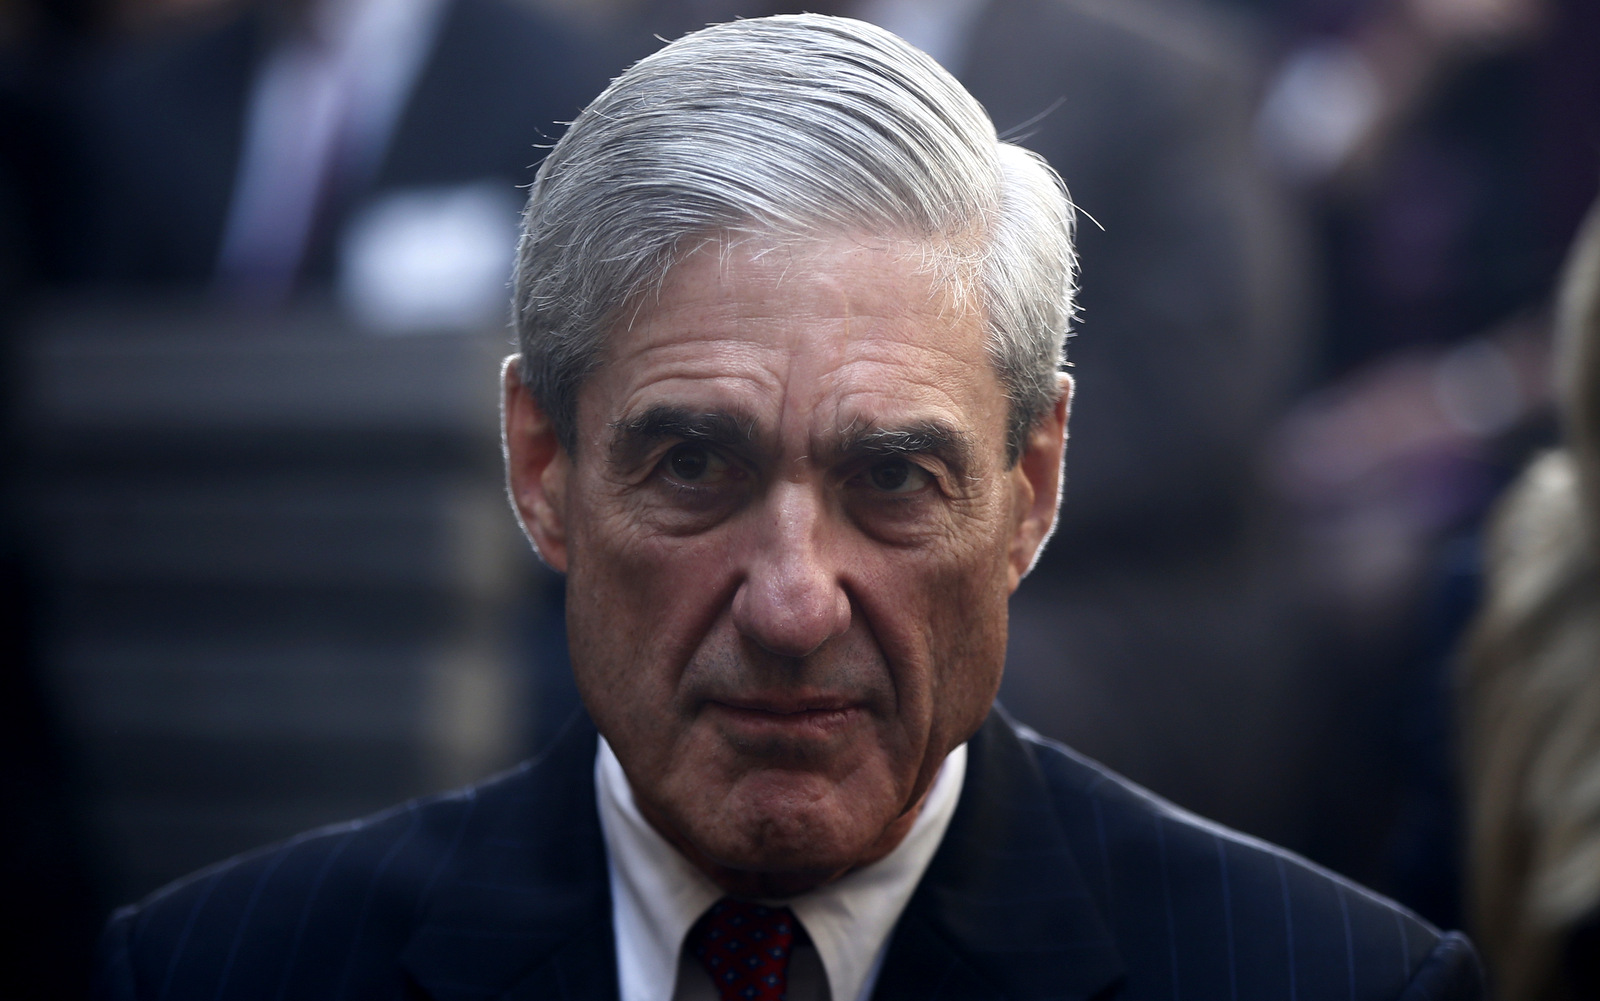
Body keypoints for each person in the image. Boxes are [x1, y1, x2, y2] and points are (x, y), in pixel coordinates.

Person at [94, 15, 1484, 1001]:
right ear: (539, 463)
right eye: (696, 467)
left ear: (1032, 485)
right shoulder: (217, 970)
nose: (794, 597)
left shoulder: (1335, 980)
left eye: (892, 478)